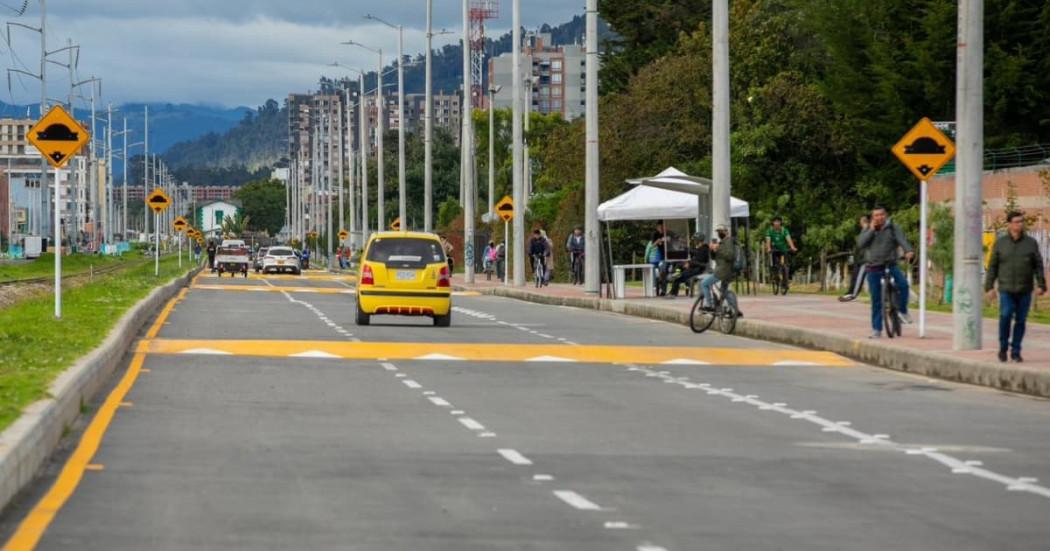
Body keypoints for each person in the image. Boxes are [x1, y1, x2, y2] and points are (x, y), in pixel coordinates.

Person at [985, 211, 1047, 363]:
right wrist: (989, 286)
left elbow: (1038, 265)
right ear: (1009, 224)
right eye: (1017, 221)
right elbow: (992, 266)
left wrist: (1041, 284)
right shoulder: (1001, 243)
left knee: (1021, 320)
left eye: (1022, 221)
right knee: (1005, 316)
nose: (1020, 224)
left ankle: (1016, 350)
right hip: (1006, 288)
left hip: (1025, 289)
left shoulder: (1031, 243)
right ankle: (1003, 347)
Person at [858, 206, 914, 338]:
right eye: (876, 215)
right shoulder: (868, 229)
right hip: (873, 266)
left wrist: (908, 250)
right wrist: (871, 230)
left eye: (881, 214)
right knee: (876, 300)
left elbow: (902, 240)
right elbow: (861, 244)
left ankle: (902, 310)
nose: (879, 217)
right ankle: (877, 329)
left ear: (886, 215)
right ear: (873, 218)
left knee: (903, 285)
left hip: (891, 263)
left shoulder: (893, 227)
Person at [700, 225, 738, 310]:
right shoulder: (722, 242)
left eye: (721, 231)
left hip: (723, 271)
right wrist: (713, 250)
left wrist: (718, 249)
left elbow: (730, 256)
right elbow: (714, 258)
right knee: (724, 291)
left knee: (704, 283)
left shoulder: (728, 241)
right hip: (726, 271)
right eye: (718, 232)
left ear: (726, 232)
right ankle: (735, 310)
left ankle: (709, 305)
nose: (719, 233)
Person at [667, 233, 710, 297]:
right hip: (693, 267)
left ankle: (673, 292)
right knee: (679, 265)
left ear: (698, 240)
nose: (694, 242)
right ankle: (676, 273)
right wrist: (684, 248)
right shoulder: (700, 249)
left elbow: (698, 262)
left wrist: (689, 264)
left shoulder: (704, 250)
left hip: (697, 269)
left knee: (678, 278)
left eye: (695, 240)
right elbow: (693, 251)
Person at [839, 215, 871, 302]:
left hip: (865, 259)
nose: (860, 223)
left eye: (861, 221)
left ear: (864, 221)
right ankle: (850, 292)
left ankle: (853, 295)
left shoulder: (868, 230)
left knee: (859, 277)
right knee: (855, 276)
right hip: (860, 258)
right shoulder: (864, 230)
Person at [766, 216, 797, 281]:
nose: (777, 223)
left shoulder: (784, 230)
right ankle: (775, 274)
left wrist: (792, 247)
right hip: (774, 249)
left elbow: (788, 239)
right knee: (774, 262)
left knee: (784, 264)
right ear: (773, 223)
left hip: (783, 249)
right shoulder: (769, 231)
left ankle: (785, 280)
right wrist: (768, 248)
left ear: (780, 223)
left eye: (778, 222)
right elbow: (768, 240)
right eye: (775, 222)